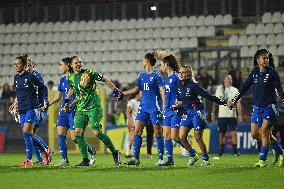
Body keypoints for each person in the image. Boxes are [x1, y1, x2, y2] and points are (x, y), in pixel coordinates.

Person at [228, 49, 284, 167]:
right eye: (264, 58)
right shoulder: (254, 72)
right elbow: (243, 88)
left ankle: (262, 160)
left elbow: (279, 89)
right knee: (254, 134)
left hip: (270, 106)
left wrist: (283, 98)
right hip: (257, 108)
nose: (266, 60)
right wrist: (234, 100)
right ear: (258, 60)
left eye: (268, 58)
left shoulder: (272, 73)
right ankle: (280, 151)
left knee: (264, 131)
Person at [64, 56, 121, 166]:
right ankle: (85, 159)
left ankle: (115, 152)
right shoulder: (70, 77)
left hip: (94, 107)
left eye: (80, 62)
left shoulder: (89, 73)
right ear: (71, 65)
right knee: (77, 133)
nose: (79, 64)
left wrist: (115, 90)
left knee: (97, 133)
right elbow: (72, 88)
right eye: (76, 63)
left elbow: (104, 79)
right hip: (81, 108)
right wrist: (67, 101)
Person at [46, 57, 96, 166]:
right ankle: (64, 159)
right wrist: (47, 104)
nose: (59, 67)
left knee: (74, 137)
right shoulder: (62, 80)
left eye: (61, 65)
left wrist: (71, 105)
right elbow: (58, 96)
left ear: (67, 66)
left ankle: (91, 151)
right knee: (60, 133)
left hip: (75, 110)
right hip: (64, 110)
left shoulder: (77, 78)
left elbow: (80, 96)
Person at [173, 65, 225, 166]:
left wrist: (222, 102)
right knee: (181, 137)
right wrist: (176, 105)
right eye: (180, 72)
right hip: (187, 112)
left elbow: (207, 95)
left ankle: (206, 159)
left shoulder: (194, 85)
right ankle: (193, 155)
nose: (180, 74)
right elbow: (180, 101)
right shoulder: (178, 84)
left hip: (197, 111)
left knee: (197, 137)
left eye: (183, 72)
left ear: (188, 74)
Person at [123, 52, 165, 166]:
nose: (142, 62)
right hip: (143, 107)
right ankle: (135, 158)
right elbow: (136, 90)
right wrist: (123, 93)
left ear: (146, 61)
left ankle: (161, 158)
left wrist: (164, 106)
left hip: (155, 107)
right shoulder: (142, 75)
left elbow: (162, 91)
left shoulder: (157, 75)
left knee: (157, 132)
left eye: (143, 60)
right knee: (137, 131)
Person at [9, 54, 48, 167]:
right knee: (28, 134)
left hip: (32, 108)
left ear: (24, 65)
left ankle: (29, 160)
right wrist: (16, 103)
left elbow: (43, 87)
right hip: (22, 109)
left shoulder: (31, 76)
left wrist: (44, 101)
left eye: (18, 64)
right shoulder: (16, 78)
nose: (16, 66)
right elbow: (20, 93)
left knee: (27, 133)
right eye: (15, 64)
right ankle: (45, 150)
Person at [156, 51, 186, 166]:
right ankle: (170, 160)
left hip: (176, 111)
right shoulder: (166, 78)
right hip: (167, 110)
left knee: (175, 137)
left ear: (167, 65)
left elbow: (184, 91)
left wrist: (181, 103)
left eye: (162, 65)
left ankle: (191, 152)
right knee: (166, 136)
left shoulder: (176, 77)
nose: (161, 67)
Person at [25, 55, 52, 165]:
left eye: (29, 64)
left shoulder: (37, 76)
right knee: (31, 134)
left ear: (32, 65)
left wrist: (43, 103)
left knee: (31, 134)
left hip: (39, 108)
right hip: (31, 107)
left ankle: (45, 151)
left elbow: (43, 90)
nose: (27, 66)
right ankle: (42, 158)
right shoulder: (27, 76)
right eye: (26, 65)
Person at [211, 74, 242, 156]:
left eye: (231, 79)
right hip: (222, 115)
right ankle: (221, 151)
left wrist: (240, 115)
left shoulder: (235, 90)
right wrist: (213, 113)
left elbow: (238, 103)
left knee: (234, 133)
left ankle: (235, 151)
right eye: (228, 79)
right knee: (222, 133)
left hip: (232, 115)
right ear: (224, 80)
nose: (230, 80)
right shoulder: (219, 89)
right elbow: (215, 101)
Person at [125, 90, 141, 158]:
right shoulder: (132, 102)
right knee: (131, 138)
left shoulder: (140, 103)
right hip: (132, 122)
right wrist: (130, 121)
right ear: (137, 95)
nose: (141, 96)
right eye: (140, 94)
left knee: (135, 138)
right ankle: (127, 153)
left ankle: (132, 153)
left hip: (138, 123)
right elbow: (128, 112)